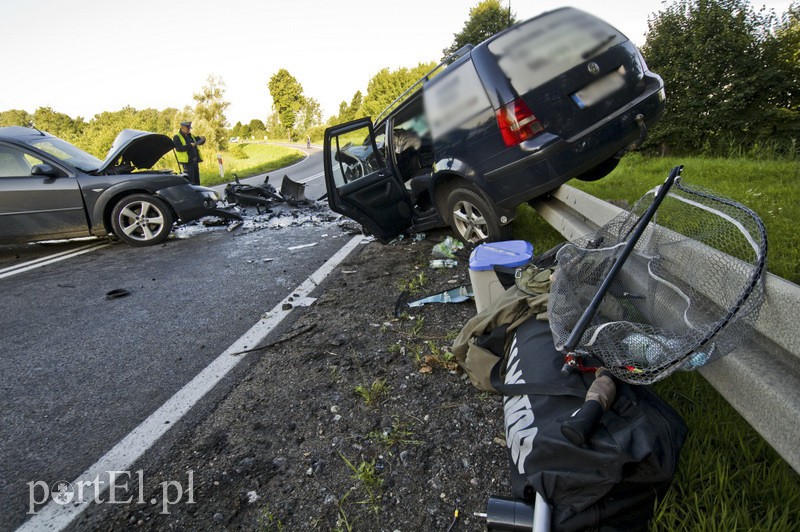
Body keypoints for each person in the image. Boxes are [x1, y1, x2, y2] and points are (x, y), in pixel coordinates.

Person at [173, 121, 206, 185]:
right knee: (190, 181)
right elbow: (178, 148)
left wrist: (203, 139)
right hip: (187, 163)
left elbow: (198, 141)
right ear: (182, 127)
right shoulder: (177, 137)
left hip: (195, 161)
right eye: (187, 128)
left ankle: (197, 194)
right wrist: (190, 145)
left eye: (189, 128)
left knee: (196, 180)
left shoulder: (190, 136)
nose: (189, 130)